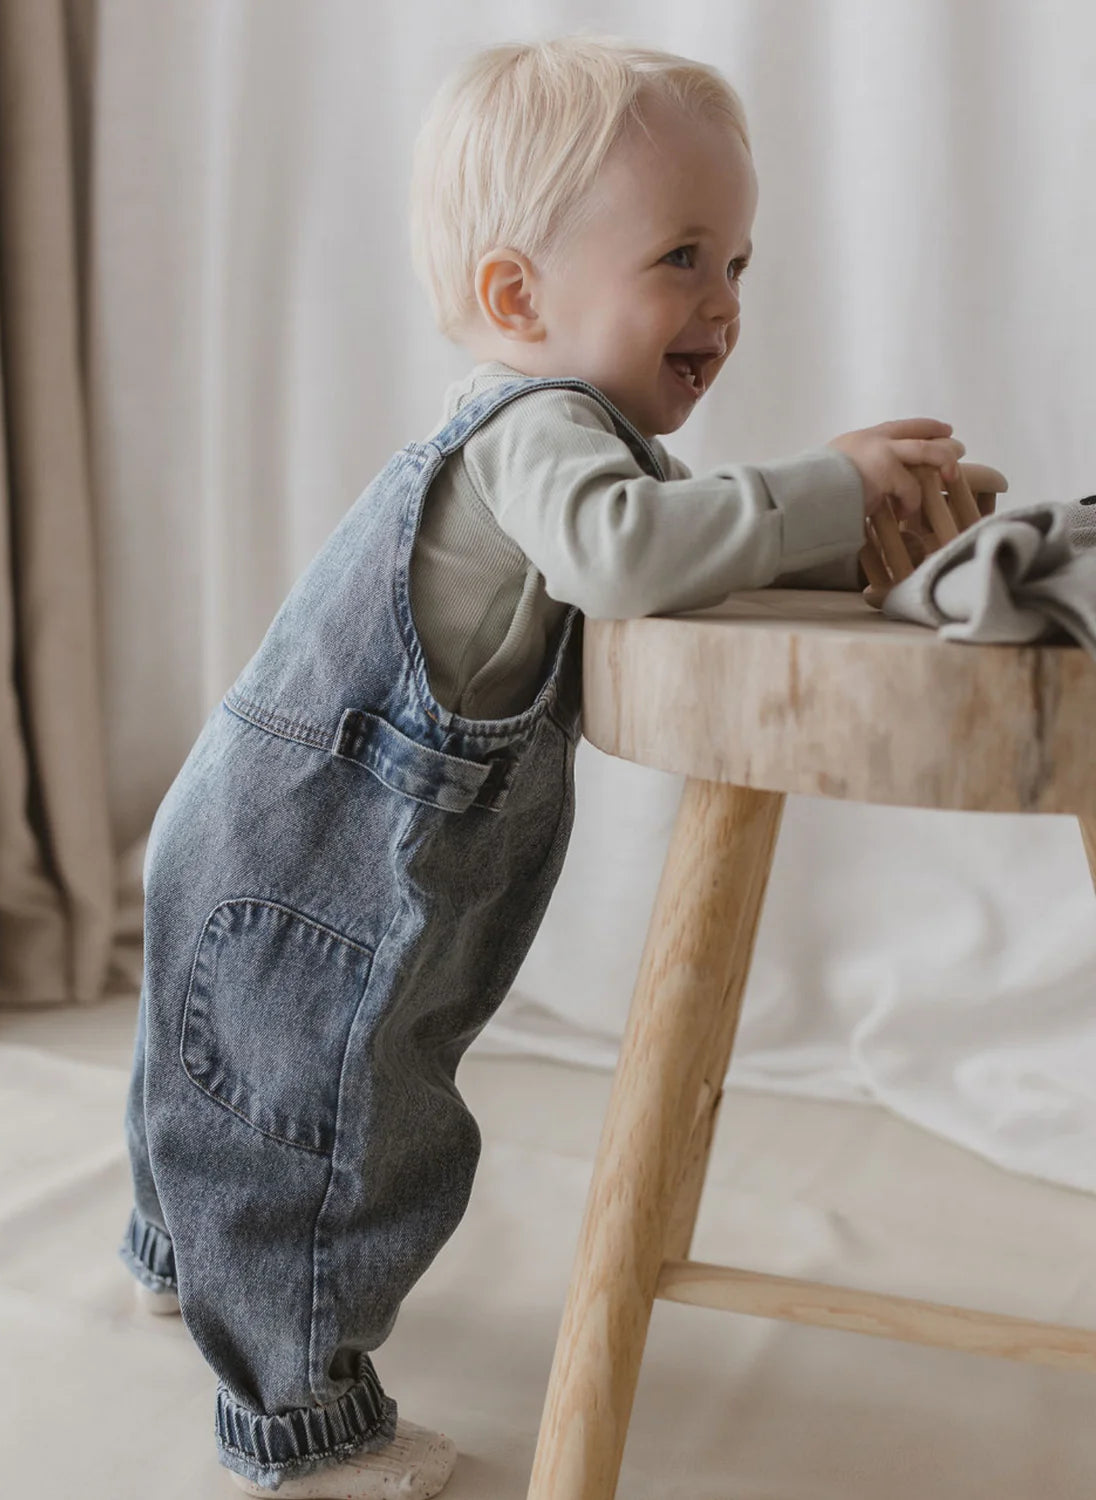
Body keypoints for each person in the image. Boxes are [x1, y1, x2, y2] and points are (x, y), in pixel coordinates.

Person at [118, 34, 965, 1499]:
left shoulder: (576, 439)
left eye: (743, 265)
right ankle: (299, 1434)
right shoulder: (542, 436)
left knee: (226, 1080)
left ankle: (175, 1247)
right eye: (685, 257)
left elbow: (681, 537)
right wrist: (824, 482)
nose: (724, 306)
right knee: (338, 1134)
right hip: (316, 860)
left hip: (256, 826)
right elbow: (629, 557)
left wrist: (854, 531)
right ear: (520, 296)